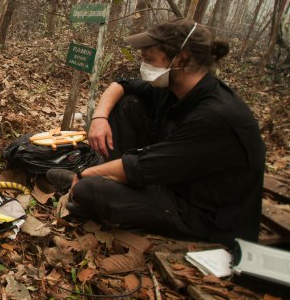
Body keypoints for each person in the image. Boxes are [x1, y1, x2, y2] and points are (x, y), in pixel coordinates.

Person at [47, 18, 265, 247]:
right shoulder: (175, 87)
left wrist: (85, 175)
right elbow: (121, 84)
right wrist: (99, 118)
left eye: (150, 55)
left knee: (90, 188)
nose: (143, 58)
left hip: (204, 216)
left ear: (181, 58)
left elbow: (142, 167)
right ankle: (100, 186)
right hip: (172, 179)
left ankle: (88, 188)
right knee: (129, 103)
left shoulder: (215, 116)